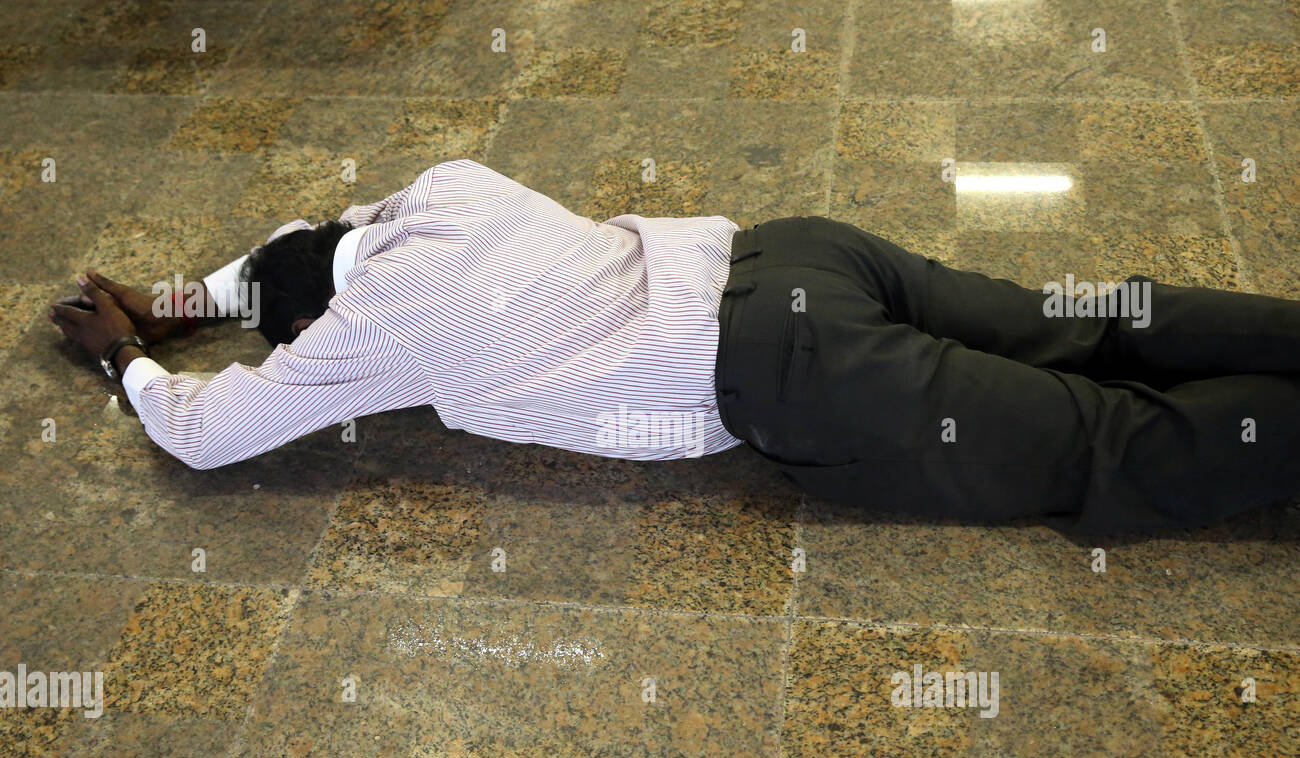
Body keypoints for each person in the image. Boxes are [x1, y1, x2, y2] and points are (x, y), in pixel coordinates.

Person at [48, 159, 1300, 534]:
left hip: (793, 371)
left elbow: (206, 433)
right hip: (801, 252)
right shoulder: (443, 190)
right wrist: (184, 297)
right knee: (1078, 321)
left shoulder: (376, 331)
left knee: (1102, 445)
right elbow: (307, 240)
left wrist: (129, 358)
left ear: (326, 324)